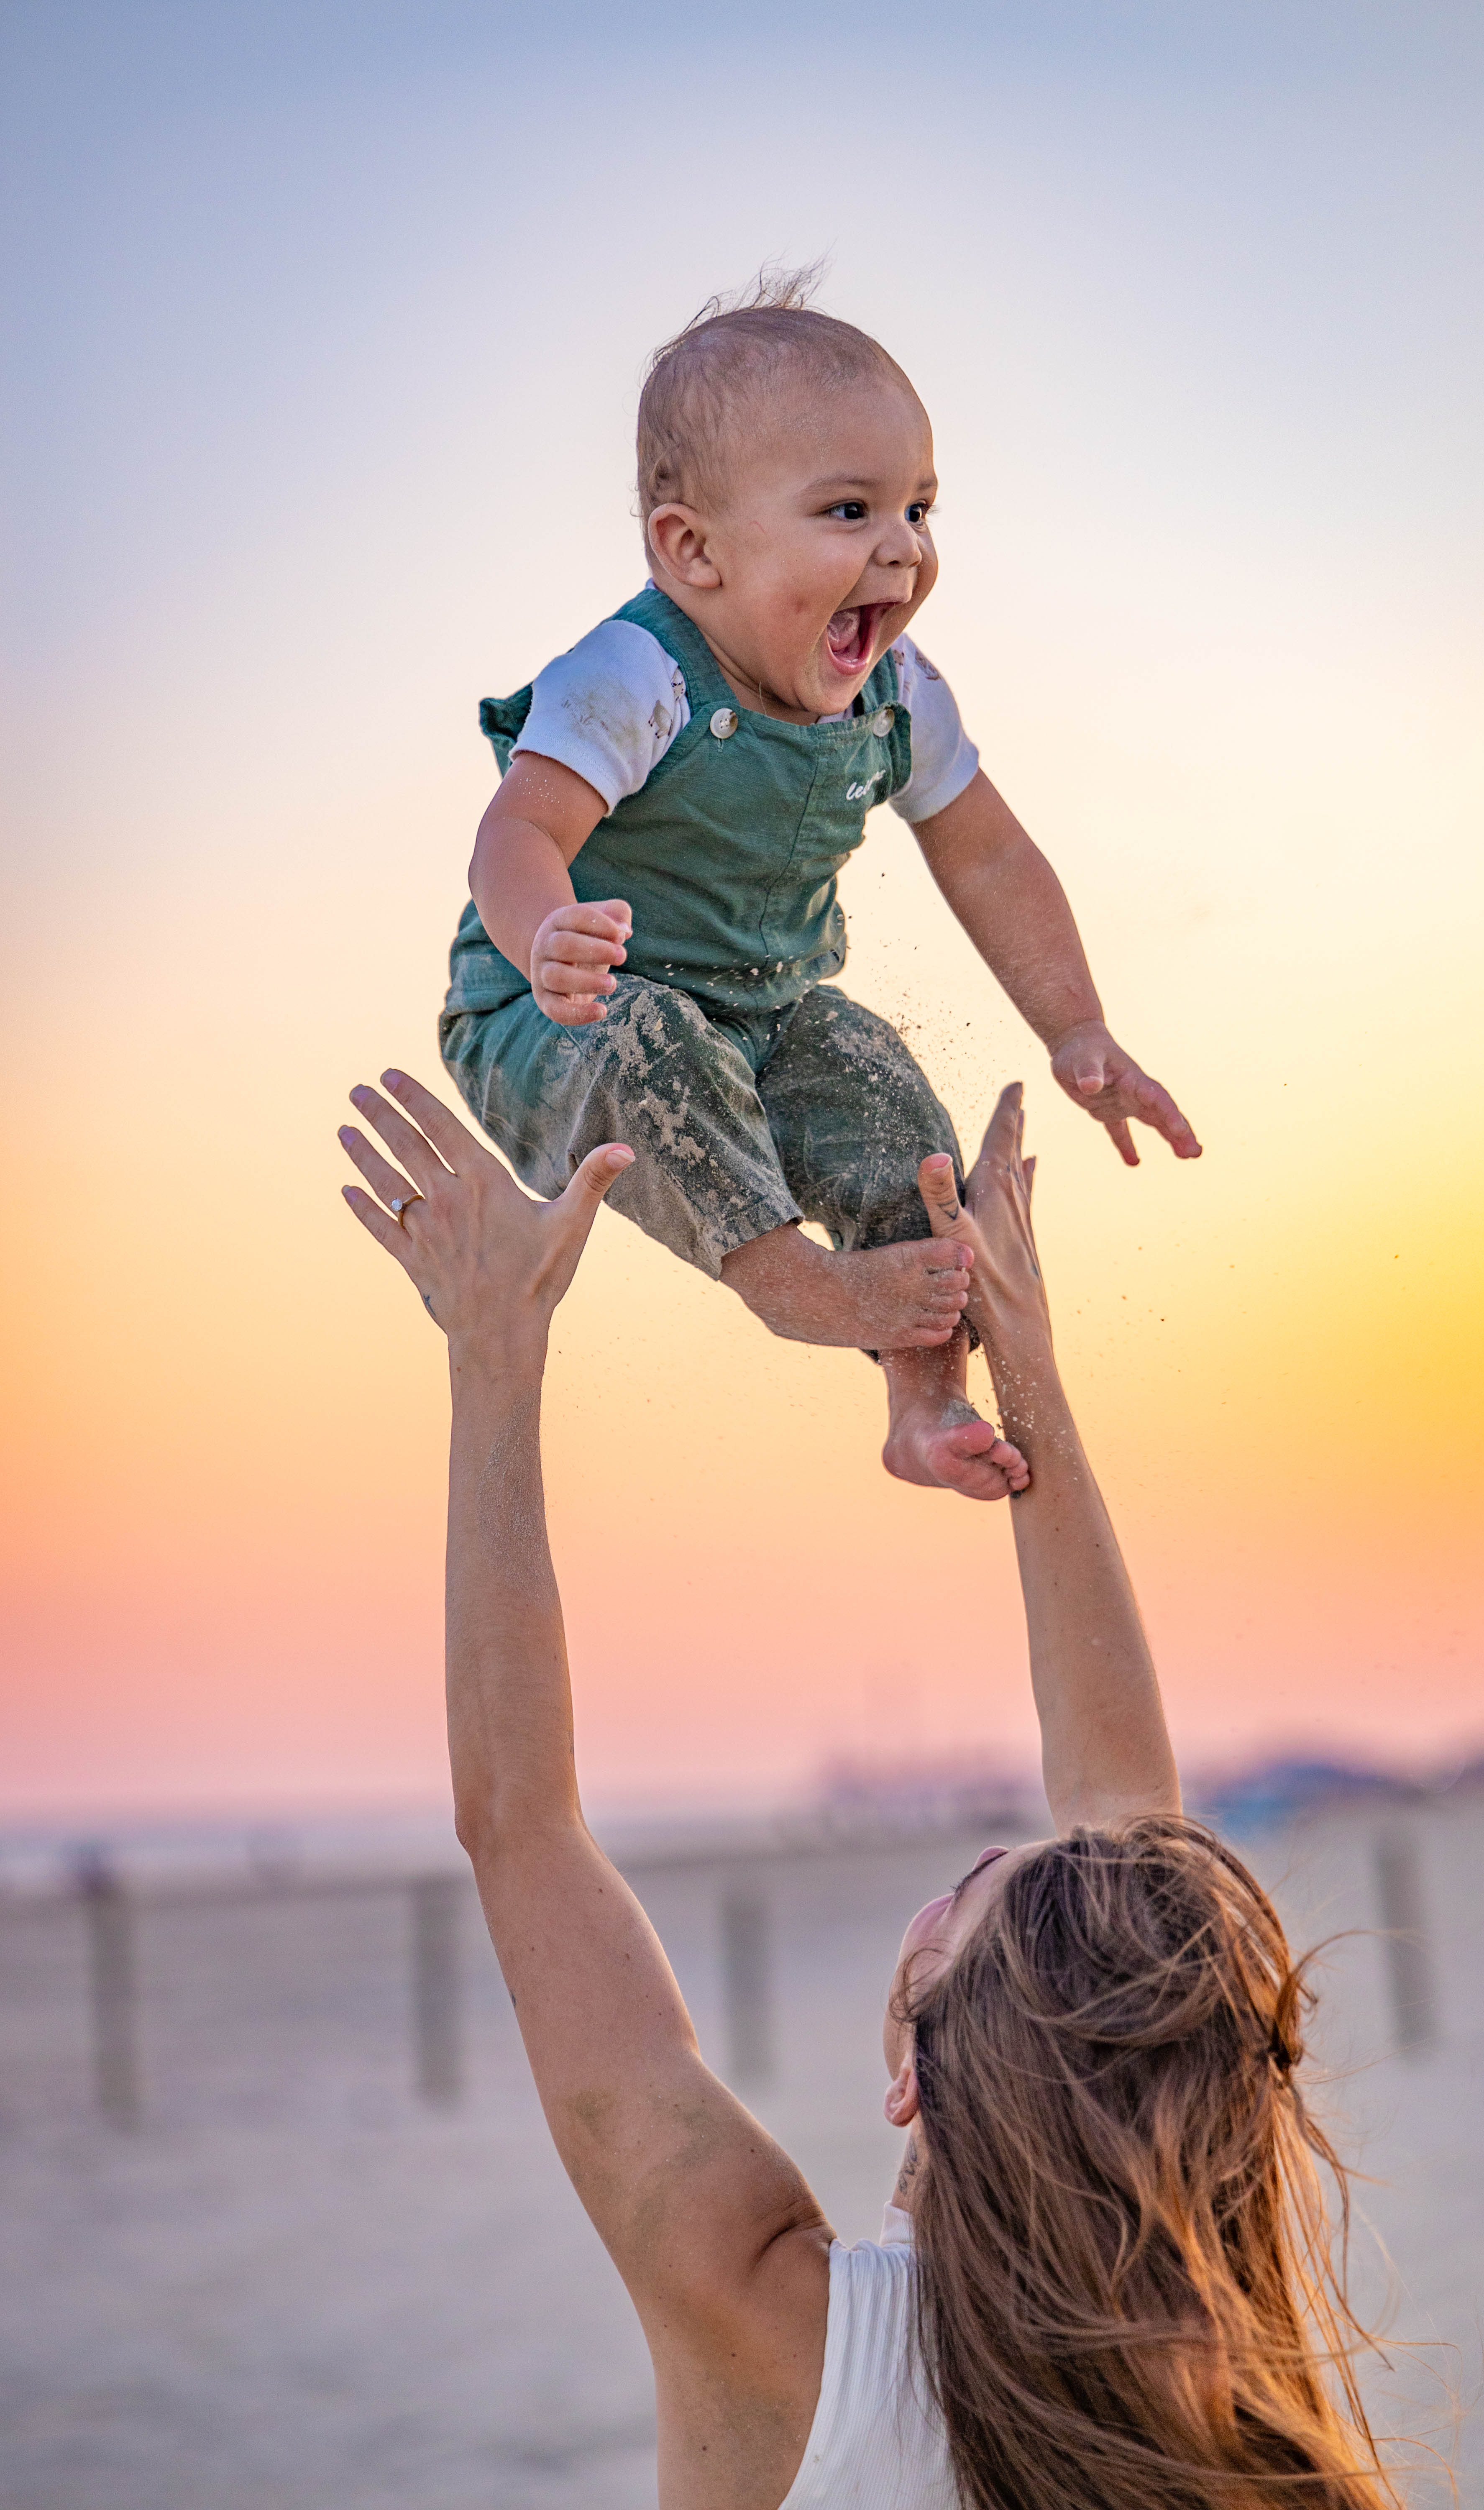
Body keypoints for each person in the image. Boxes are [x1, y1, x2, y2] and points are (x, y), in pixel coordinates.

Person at [337, 1071, 1395, 2510]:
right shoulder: (1229, 2370)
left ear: (913, 2071)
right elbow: (1127, 1829)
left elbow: (521, 1828)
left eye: (968, 1891)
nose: (1009, 1850)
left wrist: (494, 1347)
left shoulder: (787, 2333)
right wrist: (1021, 1355)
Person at [439, 271, 1201, 1509]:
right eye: (850, 510)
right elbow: (516, 828)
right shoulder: (634, 676)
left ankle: (923, 1406)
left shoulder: (899, 691)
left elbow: (990, 853)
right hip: (558, 1019)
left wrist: (1079, 1026)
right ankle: (789, 1280)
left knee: (876, 1080)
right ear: (692, 551)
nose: (901, 548)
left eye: (919, 508)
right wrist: (547, 940)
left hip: (764, 1016)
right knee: (655, 1031)